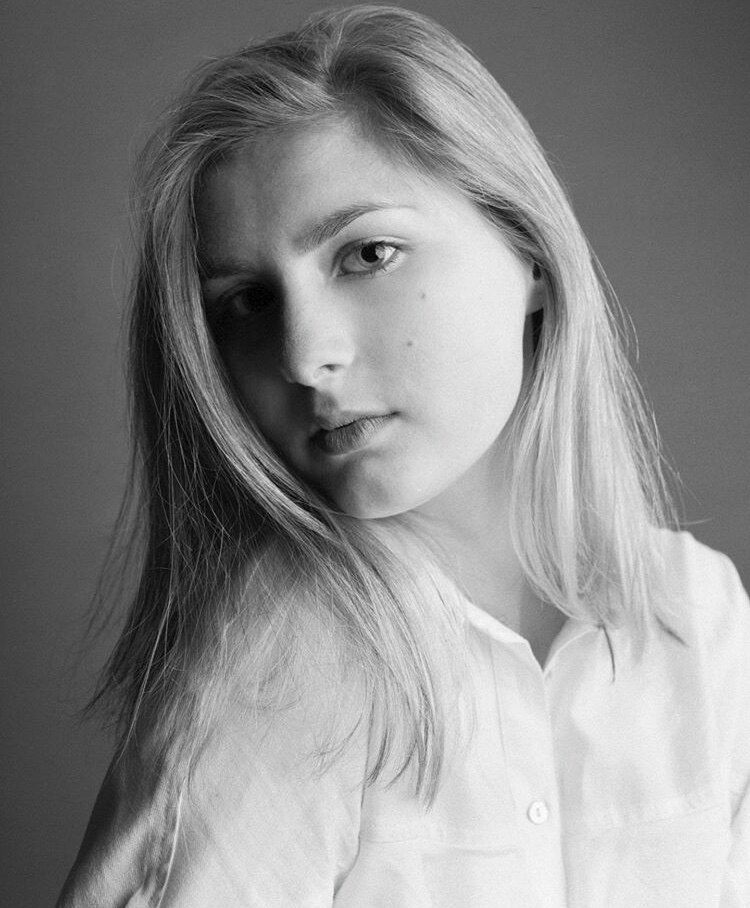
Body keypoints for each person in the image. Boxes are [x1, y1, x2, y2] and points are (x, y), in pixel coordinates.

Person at [57, 5, 749, 906]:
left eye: (368, 254)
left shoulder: (701, 618)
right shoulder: (274, 676)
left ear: (531, 252)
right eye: (246, 303)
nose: (304, 356)